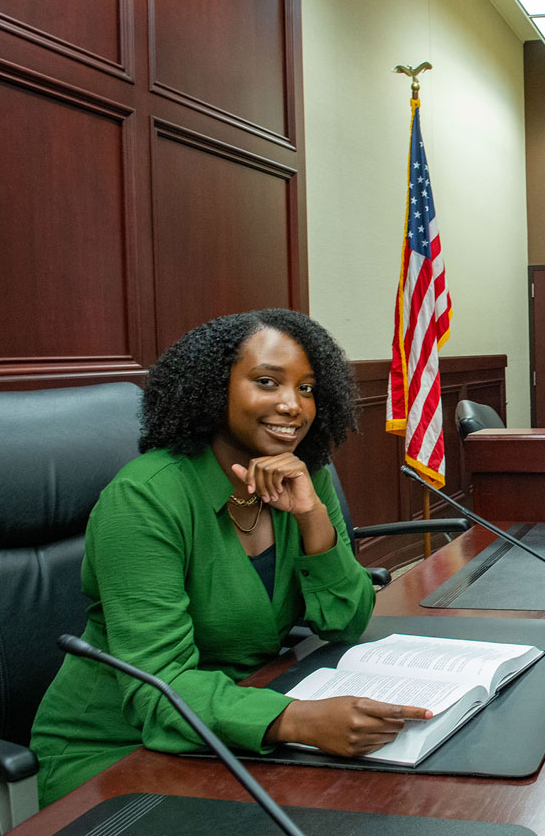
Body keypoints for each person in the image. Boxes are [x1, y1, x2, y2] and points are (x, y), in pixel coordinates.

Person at [31, 309, 431, 805]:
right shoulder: (145, 499)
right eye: (267, 382)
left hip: (244, 723)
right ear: (211, 388)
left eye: (306, 389)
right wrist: (297, 720)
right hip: (119, 753)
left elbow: (346, 622)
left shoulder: (305, 476)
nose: (293, 406)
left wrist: (311, 517)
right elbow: (159, 689)